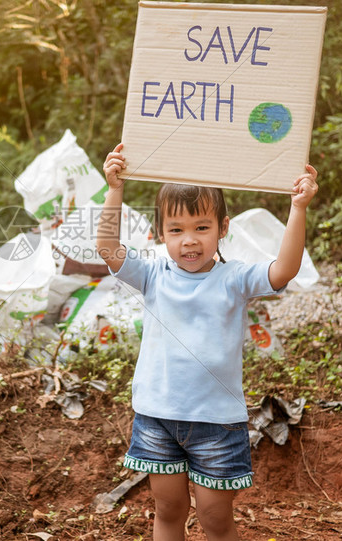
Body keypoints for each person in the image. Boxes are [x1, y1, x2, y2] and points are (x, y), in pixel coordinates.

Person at [96, 142, 318, 541]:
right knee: (168, 510)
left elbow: (283, 270)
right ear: (160, 233)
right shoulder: (152, 275)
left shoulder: (234, 279)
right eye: (176, 230)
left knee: (215, 520)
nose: (190, 241)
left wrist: (298, 208)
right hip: (158, 418)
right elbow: (108, 249)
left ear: (223, 227)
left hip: (216, 423)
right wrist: (115, 188)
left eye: (202, 227)